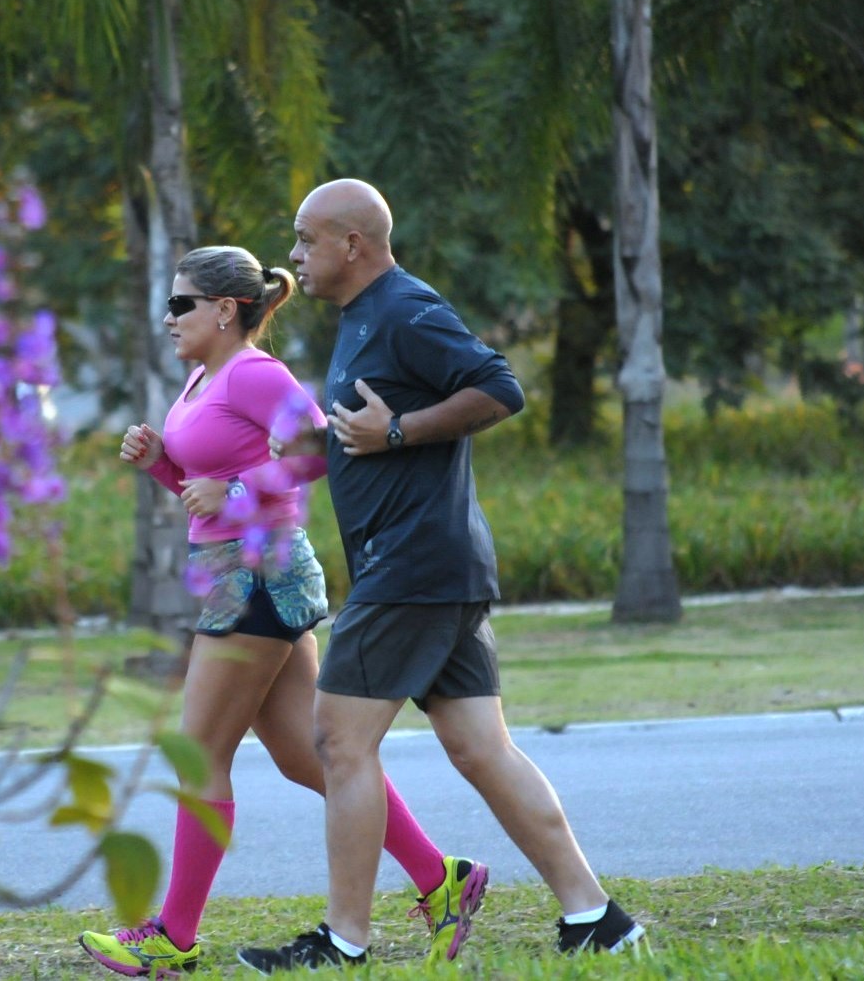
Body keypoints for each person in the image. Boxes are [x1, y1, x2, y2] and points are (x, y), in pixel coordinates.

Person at [239, 181, 647, 973]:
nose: (292, 256)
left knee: (336, 738)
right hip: (435, 564)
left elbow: (500, 387)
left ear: (352, 243)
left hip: (413, 566)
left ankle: (343, 941)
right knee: (480, 747)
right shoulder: (364, 319)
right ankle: (596, 916)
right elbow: (348, 439)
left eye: (304, 239)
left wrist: (396, 430)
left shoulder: (403, 309)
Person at [77, 245, 489, 977]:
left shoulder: (254, 372)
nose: (167, 318)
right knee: (308, 755)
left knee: (200, 753)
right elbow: (203, 489)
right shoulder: (202, 378)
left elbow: (317, 446)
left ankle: (174, 934)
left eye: (180, 304)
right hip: (233, 572)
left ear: (224, 309)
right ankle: (440, 878)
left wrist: (234, 495)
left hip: (257, 573)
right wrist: (161, 465)